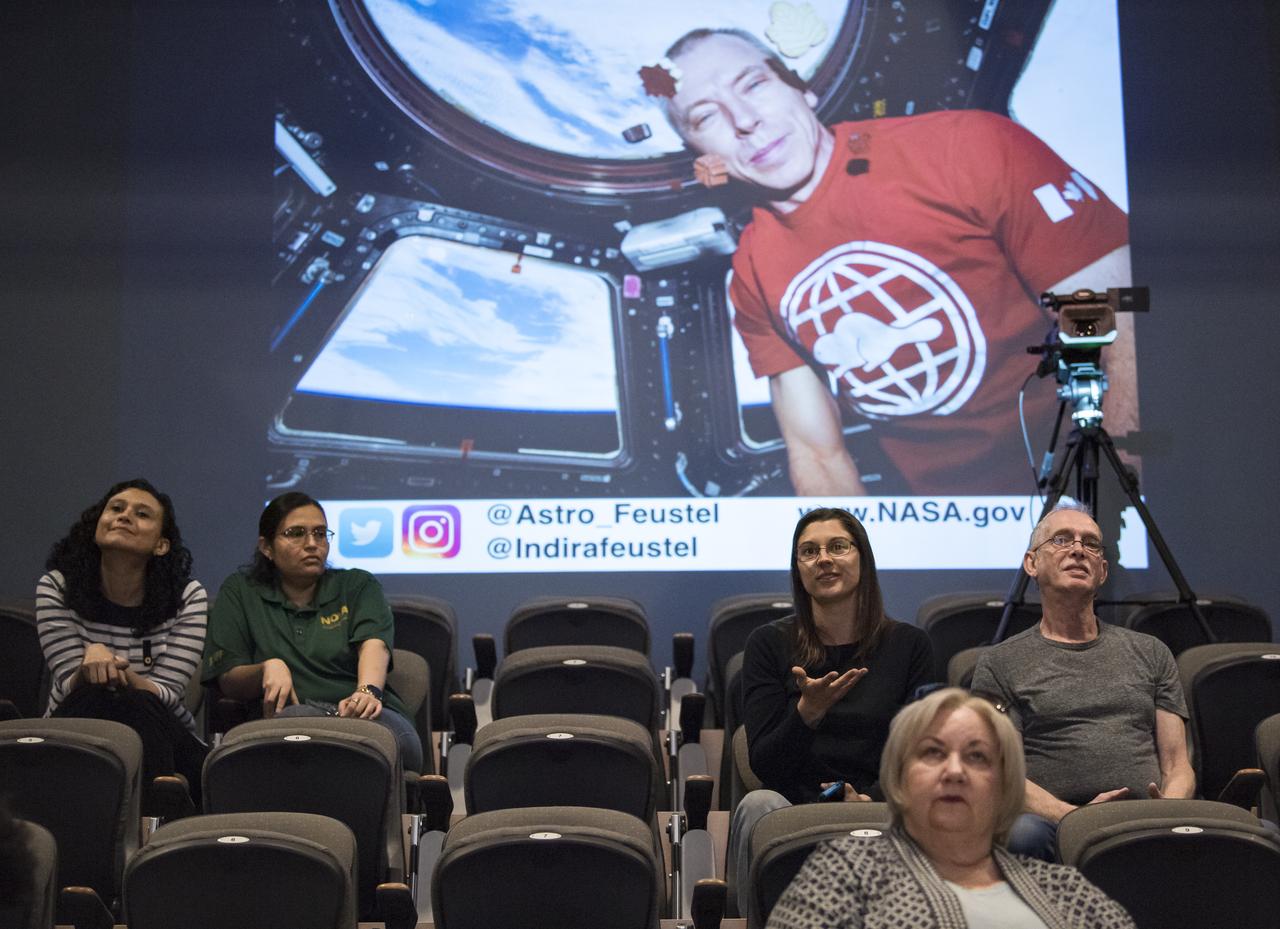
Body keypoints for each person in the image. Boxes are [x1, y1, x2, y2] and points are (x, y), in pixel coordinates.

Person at [654, 28, 1136, 495]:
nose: (743, 120)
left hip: (1083, 487)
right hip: (947, 535)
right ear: (702, 160)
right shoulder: (754, 274)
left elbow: (1119, 330)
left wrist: (1105, 513)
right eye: (706, 118)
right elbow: (818, 454)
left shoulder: (967, 148)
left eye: (754, 84)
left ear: (802, 89)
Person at [765, 687, 1136, 929]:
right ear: (900, 776)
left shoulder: (1066, 890)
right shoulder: (843, 875)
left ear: (1005, 784)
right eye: (933, 753)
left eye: (977, 757)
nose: (955, 771)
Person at [728, 506, 933, 913]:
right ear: (798, 569)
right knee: (757, 805)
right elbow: (765, 764)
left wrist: (870, 800)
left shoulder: (909, 645)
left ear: (863, 558)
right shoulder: (769, 645)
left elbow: (924, 754)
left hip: (883, 803)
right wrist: (808, 712)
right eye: (809, 551)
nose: (824, 559)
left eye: (838, 546)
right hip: (793, 805)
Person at [969, 502, 1193, 859]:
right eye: (1061, 540)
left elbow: (1177, 765)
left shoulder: (1151, 652)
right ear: (1031, 563)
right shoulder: (1000, 663)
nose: (1077, 549)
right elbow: (1000, 772)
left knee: (1264, 833)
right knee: (1022, 834)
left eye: (1090, 543)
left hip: (1146, 815)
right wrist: (1078, 819)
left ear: (1102, 570)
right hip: (1053, 821)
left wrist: (1165, 810)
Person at [201, 492, 423, 772]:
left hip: (366, 714)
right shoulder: (241, 591)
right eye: (296, 534)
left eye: (320, 534)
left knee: (394, 741)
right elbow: (228, 680)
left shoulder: (357, 585)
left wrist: (366, 692)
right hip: (290, 718)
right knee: (296, 729)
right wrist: (266, 668)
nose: (312, 544)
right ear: (266, 547)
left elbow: (373, 644)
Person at [36, 478, 209, 803]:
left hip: (164, 729)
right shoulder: (56, 587)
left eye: (142, 514)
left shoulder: (188, 596)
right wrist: (90, 667)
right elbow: (69, 683)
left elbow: (167, 694)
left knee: (138, 703)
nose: (124, 516)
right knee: (94, 694)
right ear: (97, 524)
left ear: (161, 545)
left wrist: (115, 669)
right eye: (116, 509)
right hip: (77, 718)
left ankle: (154, 831)